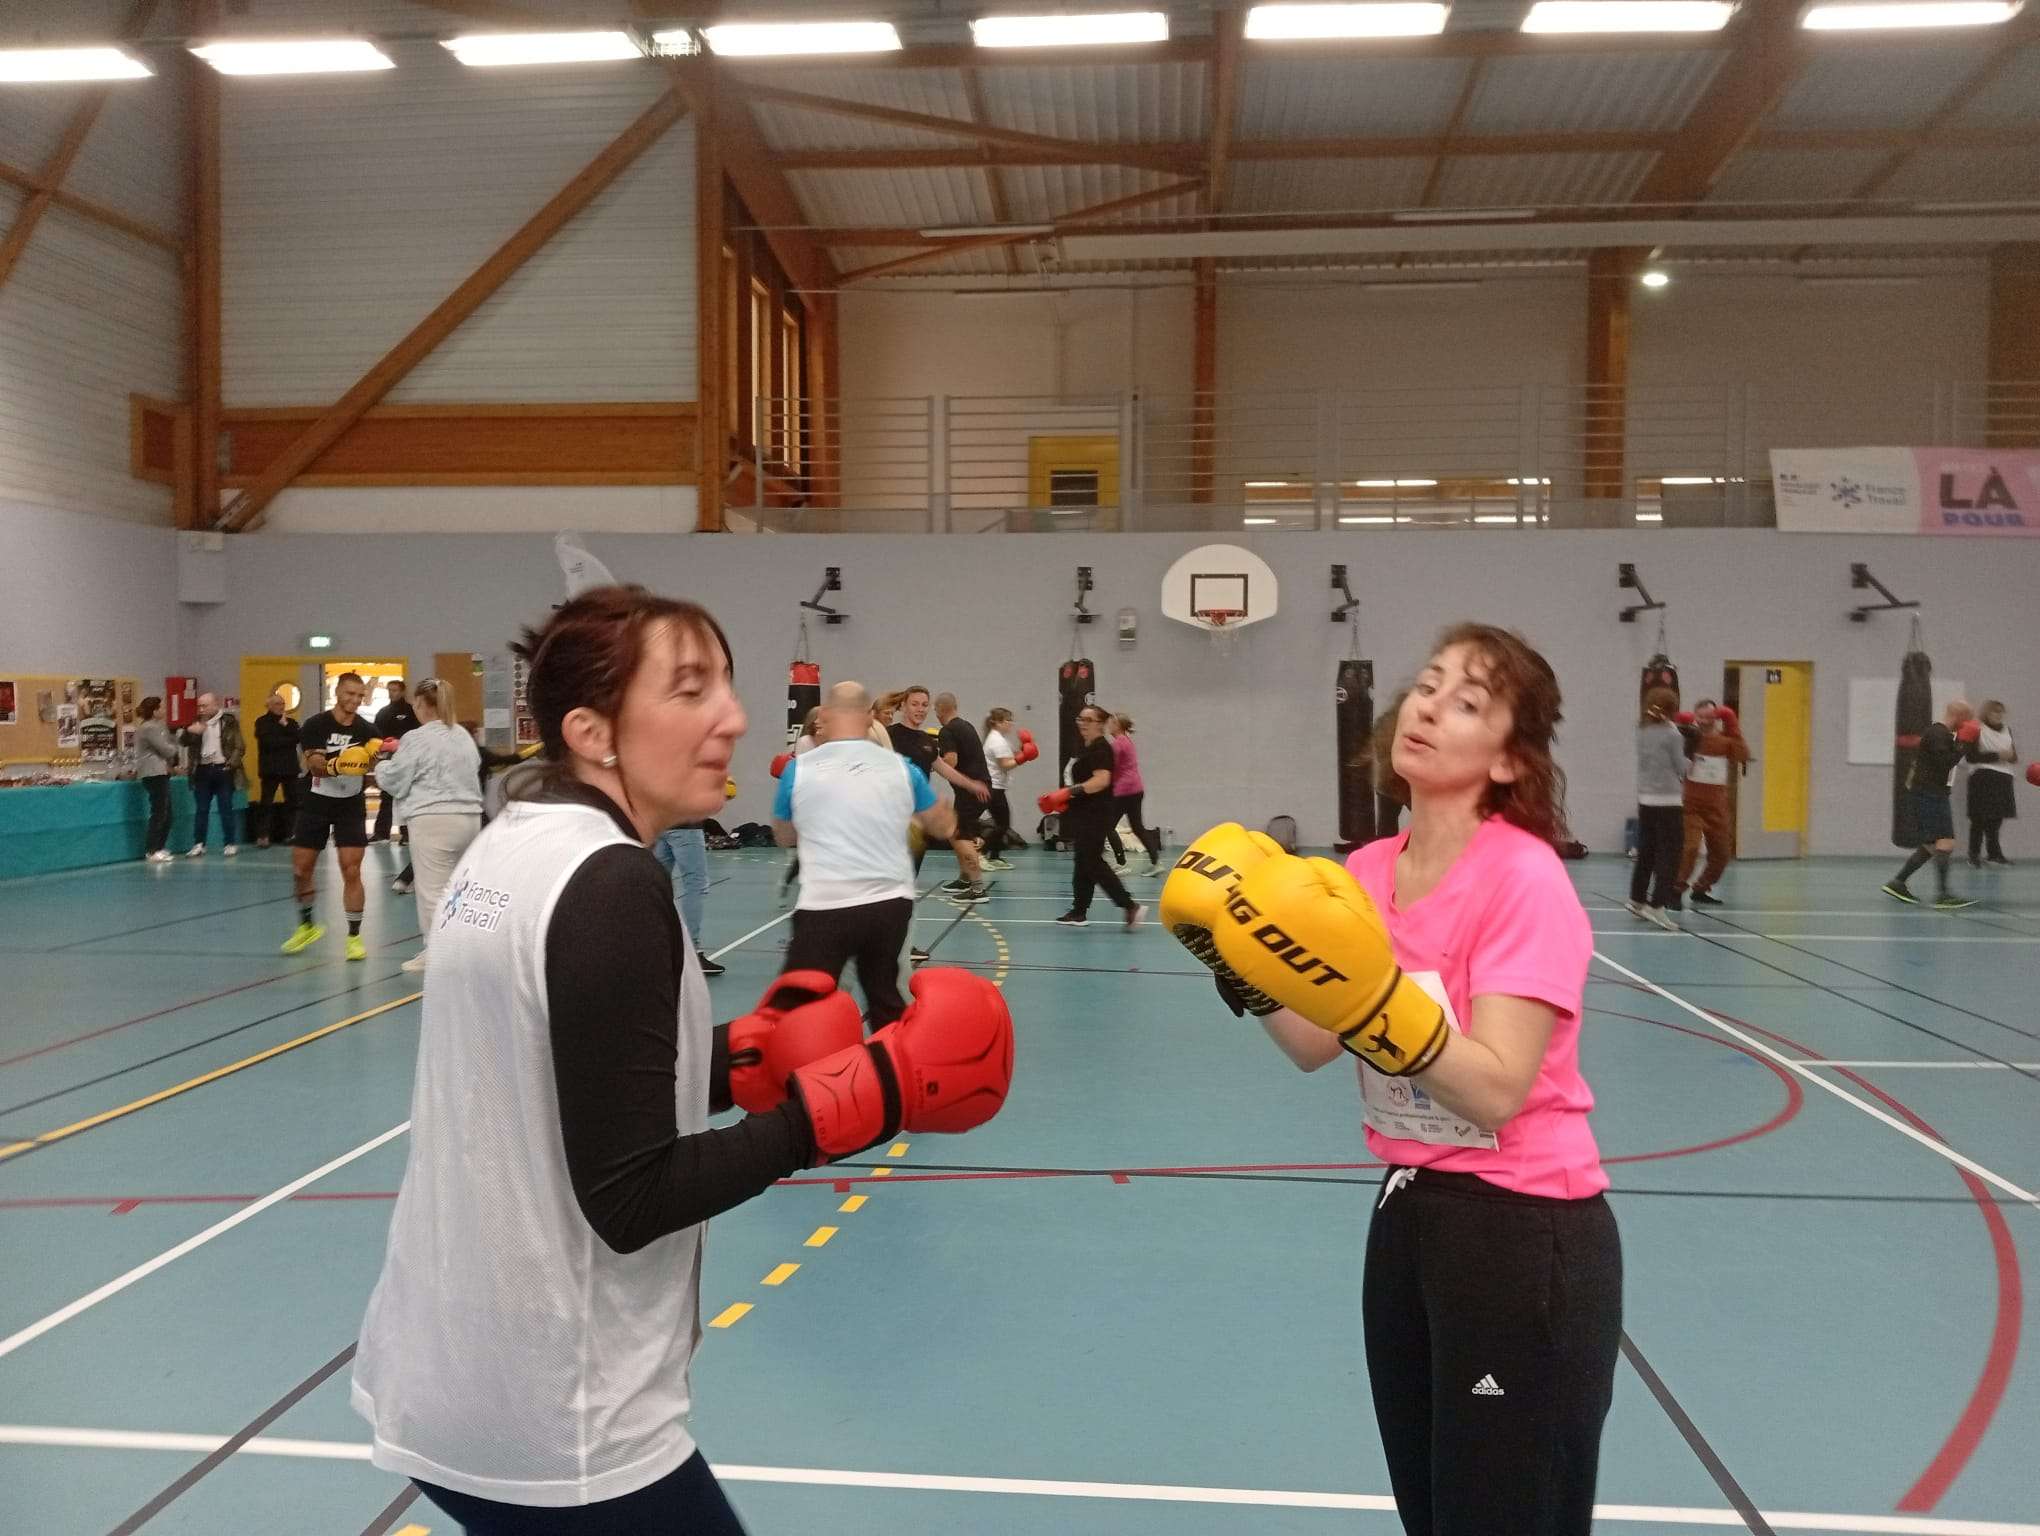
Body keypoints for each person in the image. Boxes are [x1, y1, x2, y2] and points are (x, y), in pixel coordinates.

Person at [351, 586, 1013, 1533]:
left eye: (728, 689)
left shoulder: (520, 842)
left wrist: (735, 1059)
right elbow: (631, 1197)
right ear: (592, 729)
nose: (734, 719)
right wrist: (856, 1103)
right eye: (691, 691)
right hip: (562, 1415)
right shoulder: (611, 885)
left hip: (448, 1362)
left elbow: (551, 1062)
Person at [1164, 622, 1619, 1536]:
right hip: (1409, 1211)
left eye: (1469, 702)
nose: (1430, 706)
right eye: (1428, 685)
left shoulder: (1524, 881)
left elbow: (1496, 1089)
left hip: (1523, 1227)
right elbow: (1313, 1046)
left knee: (1505, 1515)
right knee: (1433, 1509)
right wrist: (1235, 965)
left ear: (1506, 762)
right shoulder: (1365, 874)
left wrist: (1380, 1009)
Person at [774, 682, 957, 1027]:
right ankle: (893, 1074)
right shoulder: (903, 768)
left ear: (825, 715)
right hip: (888, 905)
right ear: (868, 718)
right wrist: (942, 814)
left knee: (800, 1007)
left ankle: (811, 1068)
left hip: (825, 905)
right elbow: (942, 828)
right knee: (885, 1000)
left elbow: (784, 837)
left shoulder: (798, 769)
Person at [372, 679, 482, 975]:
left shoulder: (416, 738)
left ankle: (437, 953)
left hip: (434, 820)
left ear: (421, 705)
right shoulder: (462, 735)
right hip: (470, 818)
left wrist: (381, 764)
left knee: (432, 891)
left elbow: (396, 779)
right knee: (458, 890)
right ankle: (461, 950)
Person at [287, 672, 381, 960]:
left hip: (350, 805)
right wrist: (341, 764)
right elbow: (315, 765)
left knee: (351, 870)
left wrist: (371, 761)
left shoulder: (368, 730)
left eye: (360, 695)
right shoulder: (316, 724)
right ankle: (307, 926)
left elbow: (371, 768)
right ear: (338, 692)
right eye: (350, 693)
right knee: (301, 870)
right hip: (316, 801)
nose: (354, 699)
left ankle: (354, 937)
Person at [1039, 704, 1142, 930]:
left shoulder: (1101, 749)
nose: (1082, 724)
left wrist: (1068, 792)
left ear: (1101, 724)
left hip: (1097, 814)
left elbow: (1101, 781)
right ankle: (1079, 911)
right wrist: (1064, 802)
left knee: (1092, 862)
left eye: (1088, 720)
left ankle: (1129, 905)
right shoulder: (1087, 747)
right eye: (1080, 719)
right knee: (1083, 862)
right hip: (1085, 812)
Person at [1884, 699, 1978, 909]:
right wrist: (1964, 742)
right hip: (1930, 794)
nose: (1969, 722)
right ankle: (1943, 895)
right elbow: (1945, 763)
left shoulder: (1944, 735)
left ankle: (1897, 882)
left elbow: (1954, 757)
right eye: (1967, 718)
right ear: (1958, 716)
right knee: (1945, 842)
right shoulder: (1937, 734)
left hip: (1933, 793)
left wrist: (1965, 743)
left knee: (1930, 845)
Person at [1673, 699, 1747, 907]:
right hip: (1690, 805)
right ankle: (1675, 890)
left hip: (1717, 805)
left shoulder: (1725, 741)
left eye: (1710, 716)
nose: (1705, 721)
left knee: (1722, 852)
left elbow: (1742, 754)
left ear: (1717, 717)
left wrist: (1732, 723)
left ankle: (1701, 888)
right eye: (1700, 716)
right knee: (1690, 848)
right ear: (1695, 717)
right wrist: (1680, 724)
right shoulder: (1688, 738)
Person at [1627, 686, 1686, 931]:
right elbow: (1681, 767)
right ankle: (1657, 904)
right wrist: (1693, 757)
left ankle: (1637, 898)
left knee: (1647, 851)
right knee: (1670, 855)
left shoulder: (1642, 730)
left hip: (1646, 799)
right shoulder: (1672, 734)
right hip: (1668, 800)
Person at [933, 691, 992, 901]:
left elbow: (951, 761)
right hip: (978, 788)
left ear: (940, 709)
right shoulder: (966, 726)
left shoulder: (947, 731)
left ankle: (977, 888)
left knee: (961, 837)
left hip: (972, 791)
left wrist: (930, 762)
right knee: (956, 833)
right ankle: (965, 878)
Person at [179, 691, 244, 857]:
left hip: (223, 769)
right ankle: (199, 843)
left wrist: (231, 763)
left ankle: (229, 843)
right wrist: (190, 732)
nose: (201, 709)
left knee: (225, 807)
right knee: (201, 809)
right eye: (199, 706)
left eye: (205, 705)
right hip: (202, 769)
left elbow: (239, 745)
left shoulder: (229, 721)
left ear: (215, 705)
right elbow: (183, 742)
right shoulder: (195, 722)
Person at [654, 823, 722, 977]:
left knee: (658, 883)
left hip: (662, 825)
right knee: (695, 884)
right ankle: (693, 951)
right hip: (686, 827)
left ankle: (656, 945)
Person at [1106, 711, 1164, 877]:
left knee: (1107, 826)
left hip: (1124, 791)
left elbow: (1112, 769)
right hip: (1136, 790)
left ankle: (1121, 863)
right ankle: (1156, 863)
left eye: (1111, 723)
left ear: (1118, 725)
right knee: (1138, 828)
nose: (1109, 725)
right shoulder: (1127, 741)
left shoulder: (1117, 744)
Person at [980, 707, 1033, 870]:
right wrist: (1024, 758)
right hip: (993, 787)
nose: (1011, 724)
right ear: (997, 722)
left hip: (995, 786)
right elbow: (1006, 764)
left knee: (1001, 823)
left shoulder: (998, 738)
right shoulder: (997, 740)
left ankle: (994, 856)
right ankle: (981, 853)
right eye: (1007, 720)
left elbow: (1009, 755)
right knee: (1003, 824)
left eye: (1011, 720)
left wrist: (1023, 749)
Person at [1966, 699, 2017, 866]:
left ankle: (1994, 854)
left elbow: (2013, 756)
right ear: (1986, 713)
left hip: (2003, 778)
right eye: (1994, 711)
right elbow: (1971, 757)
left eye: (2001, 712)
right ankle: (1973, 855)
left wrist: (2011, 756)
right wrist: (1997, 756)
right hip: (1982, 778)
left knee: (1996, 820)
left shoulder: (2007, 730)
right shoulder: (1976, 729)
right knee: (1979, 819)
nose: (1998, 715)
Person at [370, 679, 421, 844]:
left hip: (409, 757)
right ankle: (381, 833)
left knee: (406, 794)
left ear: (403, 692)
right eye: (390, 690)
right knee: (386, 795)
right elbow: (376, 736)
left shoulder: (412, 711)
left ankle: (406, 834)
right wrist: (379, 751)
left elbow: (418, 732)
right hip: (390, 757)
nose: (392, 693)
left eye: (395, 690)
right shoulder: (383, 713)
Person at [250, 691, 301, 849]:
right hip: (270, 770)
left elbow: (298, 738)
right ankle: (263, 835)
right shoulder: (261, 722)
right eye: (277, 704)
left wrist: (285, 729)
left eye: (283, 704)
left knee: (292, 802)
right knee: (266, 803)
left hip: (289, 769)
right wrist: (287, 738)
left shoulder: (291, 722)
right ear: (269, 706)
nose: (281, 707)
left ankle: (291, 834)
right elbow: (268, 742)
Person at [135, 696, 180, 864]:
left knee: (167, 813)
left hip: (160, 772)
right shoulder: (149, 728)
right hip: (153, 773)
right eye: (161, 708)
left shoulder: (157, 727)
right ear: (154, 711)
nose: (164, 711)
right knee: (159, 812)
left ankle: (159, 847)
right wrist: (174, 744)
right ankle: (152, 849)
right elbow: (167, 749)